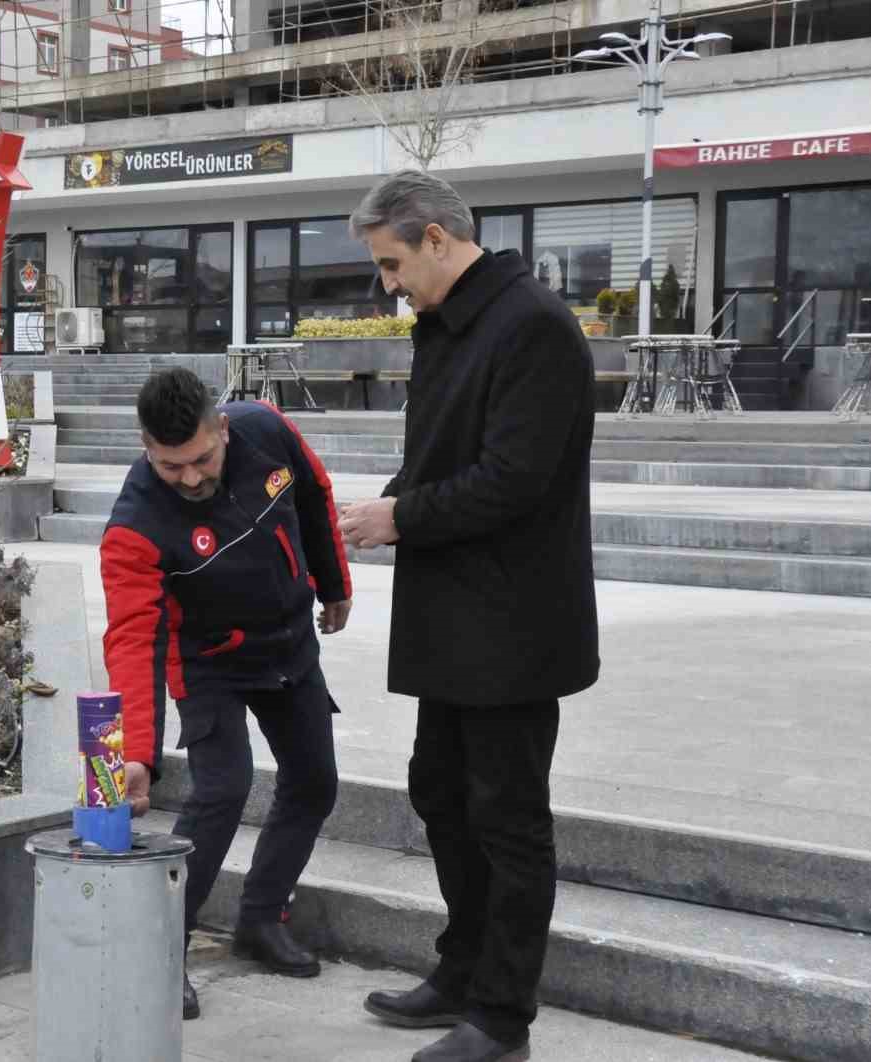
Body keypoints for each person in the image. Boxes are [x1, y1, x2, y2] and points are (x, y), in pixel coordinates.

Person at [338, 170, 600, 1062]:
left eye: (391, 262)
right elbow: (439, 455)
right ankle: (462, 968)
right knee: (441, 795)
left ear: (437, 239)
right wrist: (384, 504)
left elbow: (513, 483)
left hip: (516, 626)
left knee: (508, 818)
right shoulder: (448, 326)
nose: (388, 283)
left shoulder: (532, 326)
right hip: (452, 616)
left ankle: (502, 1017)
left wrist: (401, 517)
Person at [99, 368, 352, 1022]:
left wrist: (334, 585)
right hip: (208, 660)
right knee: (222, 788)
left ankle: (262, 917)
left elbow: (318, 496)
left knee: (315, 781)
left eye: (201, 459)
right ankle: (163, 948)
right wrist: (137, 755)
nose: (188, 478)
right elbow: (132, 637)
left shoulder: (268, 431)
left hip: (290, 642)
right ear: (145, 447)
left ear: (224, 429)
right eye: (168, 465)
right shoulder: (134, 524)